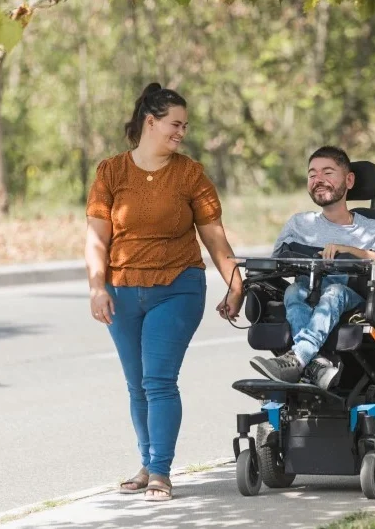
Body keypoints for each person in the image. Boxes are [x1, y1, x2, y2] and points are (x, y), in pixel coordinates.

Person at [84, 82, 243, 501]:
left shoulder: (190, 174)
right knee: (136, 385)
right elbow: (97, 239)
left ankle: (160, 471)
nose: (181, 133)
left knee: (158, 381)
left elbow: (215, 239)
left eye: (185, 126)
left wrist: (236, 284)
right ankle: (146, 461)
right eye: (175, 124)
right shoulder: (111, 172)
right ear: (149, 123)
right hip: (121, 291)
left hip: (177, 287)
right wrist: (97, 287)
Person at [250, 146, 375, 390]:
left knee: (334, 293)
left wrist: (353, 251)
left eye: (327, 172)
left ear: (349, 180)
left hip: (352, 296)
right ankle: (315, 365)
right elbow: (275, 267)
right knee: (292, 292)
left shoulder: (373, 228)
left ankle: (297, 359)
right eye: (312, 174)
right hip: (308, 290)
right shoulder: (298, 223)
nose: (318, 180)